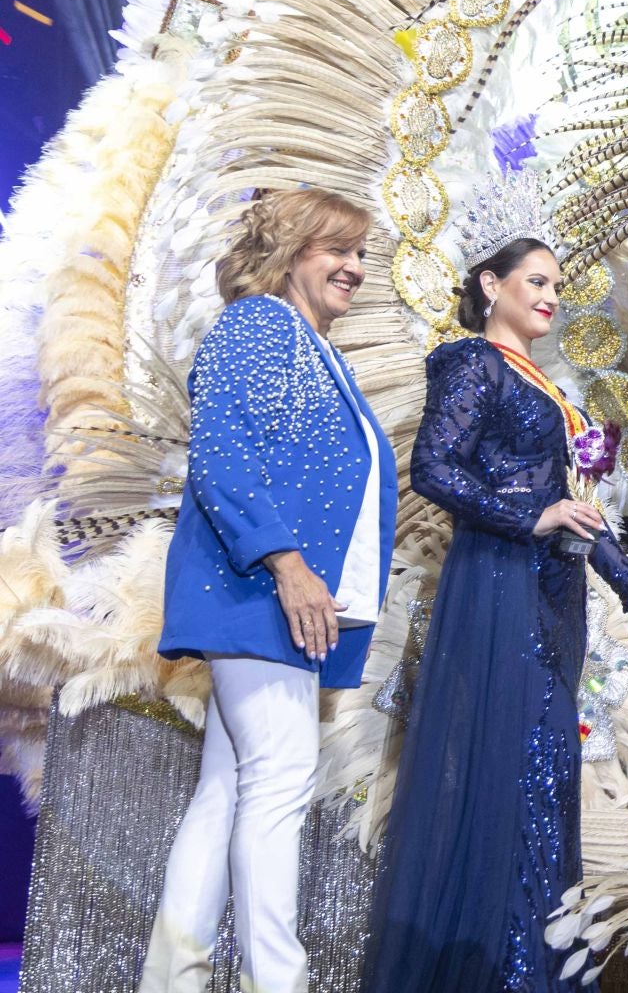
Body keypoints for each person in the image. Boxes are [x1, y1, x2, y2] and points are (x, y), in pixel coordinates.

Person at [362, 226, 628, 993]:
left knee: (544, 776)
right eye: (534, 281)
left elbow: (571, 509)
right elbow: (434, 467)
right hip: (498, 586)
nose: (549, 297)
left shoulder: (545, 386)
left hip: (549, 595)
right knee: (514, 771)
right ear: (489, 285)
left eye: (555, 286)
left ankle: (530, 969)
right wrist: (527, 519)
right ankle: (505, 975)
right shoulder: (474, 362)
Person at [141, 188, 396, 993]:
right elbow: (221, 454)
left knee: (227, 789)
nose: (354, 267)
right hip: (262, 597)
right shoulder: (260, 325)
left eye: (361, 253)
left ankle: (173, 978)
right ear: (289, 253)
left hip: (273, 599)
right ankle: (275, 982)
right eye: (337, 250)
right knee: (279, 781)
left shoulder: (312, 347)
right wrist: (288, 566)